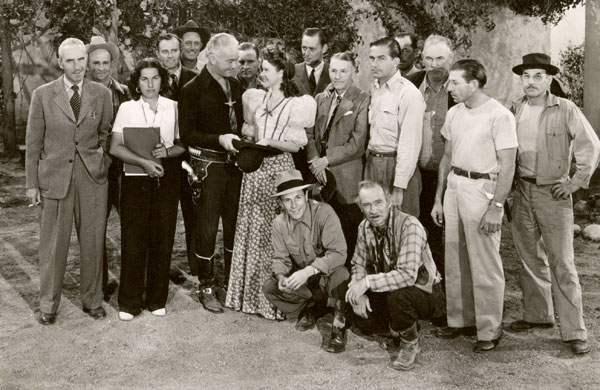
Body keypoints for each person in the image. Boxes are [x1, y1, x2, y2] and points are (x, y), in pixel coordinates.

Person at [507, 53, 600, 354]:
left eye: (538, 76)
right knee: (529, 258)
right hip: (522, 190)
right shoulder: (516, 108)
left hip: (554, 194)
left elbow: (591, 145)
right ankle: (538, 315)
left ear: (549, 79)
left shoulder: (565, 108)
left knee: (562, 262)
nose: (531, 82)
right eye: (526, 76)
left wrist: (575, 182)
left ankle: (574, 331)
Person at [431, 59, 517, 353]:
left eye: (455, 82)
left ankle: (489, 329)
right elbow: (446, 157)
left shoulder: (499, 115)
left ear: (475, 83)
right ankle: (460, 320)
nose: (449, 88)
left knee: (484, 262)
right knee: (454, 257)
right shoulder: (454, 113)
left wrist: (497, 206)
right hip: (455, 185)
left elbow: (508, 165)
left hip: (483, 189)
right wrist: (439, 198)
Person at [25, 37, 113, 324]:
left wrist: (101, 162)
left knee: (93, 243)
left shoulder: (101, 94)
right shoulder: (42, 95)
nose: (77, 66)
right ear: (60, 63)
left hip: (92, 179)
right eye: (71, 61)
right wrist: (31, 184)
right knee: (53, 246)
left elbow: (106, 134)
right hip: (54, 180)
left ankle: (93, 300)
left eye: (81, 60)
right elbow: (33, 143)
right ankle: (48, 306)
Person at [226, 48, 317, 320]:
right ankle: (249, 297)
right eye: (262, 68)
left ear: (281, 73)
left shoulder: (294, 104)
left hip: (279, 168)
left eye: (266, 69)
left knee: (274, 235)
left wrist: (268, 143)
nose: (261, 73)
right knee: (253, 230)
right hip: (256, 171)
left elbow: (296, 144)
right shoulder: (259, 98)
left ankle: (274, 302)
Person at [109, 58, 185, 320]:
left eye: (155, 78)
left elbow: (182, 144)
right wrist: (143, 162)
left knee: (162, 239)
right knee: (133, 239)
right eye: (144, 79)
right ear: (137, 83)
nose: (150, 84)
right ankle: (129, 302)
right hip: (135, 179)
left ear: (162, 80)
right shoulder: (127, 108)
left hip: (165, 178)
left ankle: (156, 299)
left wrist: (167, 151)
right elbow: (115, 147)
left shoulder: (174, 107)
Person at [346, 180, 444, 371]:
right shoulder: (364, 227)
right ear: (360, 207)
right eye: (366, 205)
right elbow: (358, 262)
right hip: (388, 286)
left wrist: (366, 282)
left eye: (378, 202)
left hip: (425, 292)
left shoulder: (410, 225)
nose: (373, 210)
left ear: (389, 201)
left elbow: (407, 275)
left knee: (398, 297)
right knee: (364, 321)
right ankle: (397, 325)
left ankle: (410, 342)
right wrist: (360, 291)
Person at [179, 33, 243, 313]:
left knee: (233, 226)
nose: (234, 65)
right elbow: (188, 134)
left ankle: (230, 283)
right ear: (212, 58)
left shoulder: (236, 86)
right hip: (207, 167)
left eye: (237, 60)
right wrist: (219, 139)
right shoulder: (192, 89)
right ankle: (206, 285)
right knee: (206, 228)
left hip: (234, 167)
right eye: (230, 60)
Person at [262, 169, 349, 352]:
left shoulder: (324, 212)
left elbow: (339, 253)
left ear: (306, 195)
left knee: (342, 275)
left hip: (326, 276)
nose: (294, 205)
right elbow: (280, 259)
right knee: (270, 288)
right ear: (281, 203)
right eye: (287, 200)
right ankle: (314, 308)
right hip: (308, 283)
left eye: (298, 198)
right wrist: (281, 278)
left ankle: (339, 325)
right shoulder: (279, 223)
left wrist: (308, 271)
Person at [306, 51, 369, 266]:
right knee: (321, 234)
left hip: (346, 181)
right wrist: (315, 161)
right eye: (333, 70)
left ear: (353, 72)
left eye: (343, 71)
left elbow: (357, 144)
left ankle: (347, 288)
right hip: (319, 177)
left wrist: (327, 160)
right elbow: (310, 134)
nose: (337, 76)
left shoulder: (362, 99)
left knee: (348, 234)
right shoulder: (321, 98)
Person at [405, 34, 456, 278]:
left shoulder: (461, 87)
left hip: (454, 176)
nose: (434, 64)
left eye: (440, 58)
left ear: (451, 58)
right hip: (419, 176)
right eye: (428, 58)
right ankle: (431, 291)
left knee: (455, 239)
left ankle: (453, 297)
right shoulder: (409, 85)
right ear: (421, 58)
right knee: (424, 234)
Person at [85, 35, 130, 299]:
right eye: (96, 63)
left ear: (111, 64)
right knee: (95, 228)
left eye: (105, 62)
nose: (101, 68)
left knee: (130, 223)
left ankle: (131, 281)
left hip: (121, 169)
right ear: (89, 65)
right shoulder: (83, 93)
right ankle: (98, 285)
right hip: (96, 169)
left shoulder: (123, 92)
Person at [366, 37, 425, 217]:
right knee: (374, 223)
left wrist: (399, 186)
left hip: (396, 167)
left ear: (396, 61)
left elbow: (410, 144)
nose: (375, 64)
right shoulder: (375, 89)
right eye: (372, 58)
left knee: (401, 226)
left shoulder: (409, 94)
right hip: (373, 164)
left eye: (381, 58)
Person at [156, 32, 199, 275]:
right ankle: (163, 268)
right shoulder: (152, 79)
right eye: (165, 51)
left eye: (174, 51)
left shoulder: (196, 78)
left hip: (191, 158)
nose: (170, 56)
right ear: (158, 53)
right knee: (164, 216)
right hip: (163, 157)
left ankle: (196, 266)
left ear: (179, 51)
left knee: (194, 213)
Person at [293, 28, 331, 97]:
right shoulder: (292, 72)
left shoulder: (334, 74)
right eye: (304, 48)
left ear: (324, 48)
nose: (306, 54)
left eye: (312, 49)